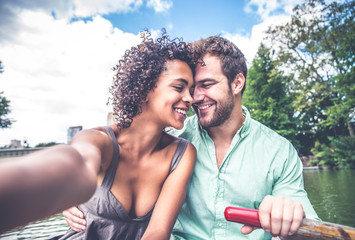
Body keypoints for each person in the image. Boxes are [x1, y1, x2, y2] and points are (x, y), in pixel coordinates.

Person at [63, 36, 319, 239]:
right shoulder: (171, 138)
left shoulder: (279, 151)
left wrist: (290, 215)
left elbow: (310, 228)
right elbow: (109, 153)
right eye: (187, 87)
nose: (194, 97)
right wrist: (71, 194)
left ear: (237, 82)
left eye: (205, 85)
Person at [0, 30, 197, 240]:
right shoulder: (97, 140)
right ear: (145, 89)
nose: (190, 98)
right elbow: (75, 165)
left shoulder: (182, 154)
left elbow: (158, 232)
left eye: (191, 90)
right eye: (179, 87)